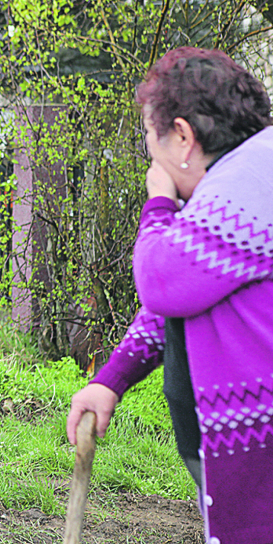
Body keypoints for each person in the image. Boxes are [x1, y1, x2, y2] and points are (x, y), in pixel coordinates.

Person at [66, 47, 273, 544]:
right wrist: (112, 379)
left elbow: (161, 277)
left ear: (182, 135)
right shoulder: (239, 177)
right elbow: (181, 295)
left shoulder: (249, 180)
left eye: (147, 135)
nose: (148, 154)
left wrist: (159, 202)